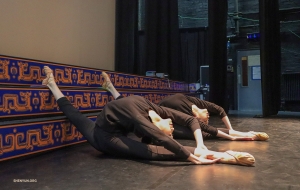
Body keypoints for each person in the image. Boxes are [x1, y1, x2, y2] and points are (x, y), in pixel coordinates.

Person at [42, 66, 255, 166]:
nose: (172, 130)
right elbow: (160, 141)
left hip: (120, 118)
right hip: (104, 138)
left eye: (171, 129)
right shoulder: (141, 119)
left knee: (123, 105)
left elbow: (190, 120)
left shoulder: (154, 109)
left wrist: (201, 145)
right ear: (156, 123)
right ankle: (52, 84)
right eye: (171, 128)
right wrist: (196, 158)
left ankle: (109, 86)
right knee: (145, 151)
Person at [101, 72, 268, 141]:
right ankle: (111, 88)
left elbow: (219, 111)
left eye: (207, 117)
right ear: (196, 117)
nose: (208, 117)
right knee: (129, 117)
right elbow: (206, 130)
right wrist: (239, 136)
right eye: (207, 117)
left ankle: (111, 88)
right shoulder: (177, 106)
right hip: (158, 118)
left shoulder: (196, 103)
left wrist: (241, 133)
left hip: (157, 114)